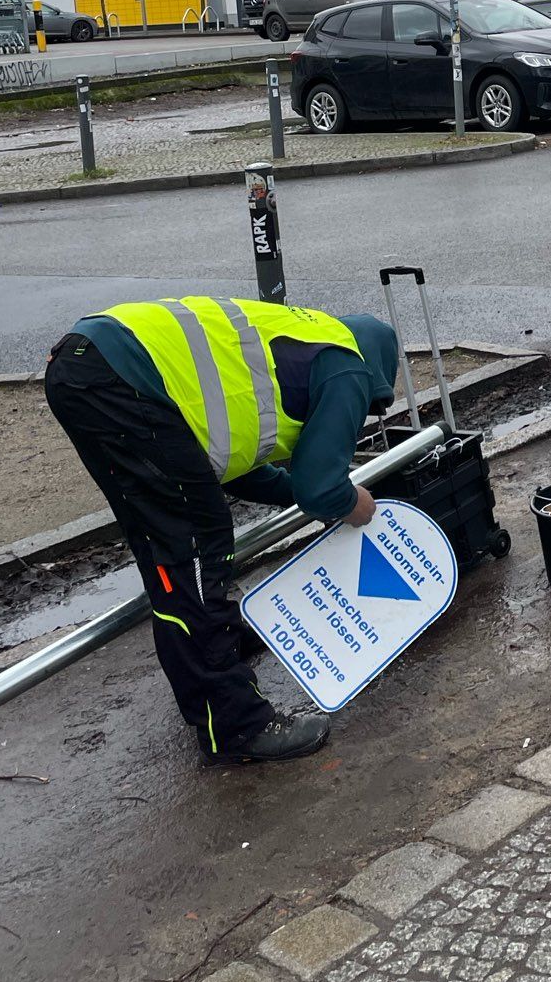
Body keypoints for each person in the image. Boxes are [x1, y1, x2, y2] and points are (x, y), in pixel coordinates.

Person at [45, 297, 399, 765]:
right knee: (195, 549)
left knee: (174, 549)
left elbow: (240, 463)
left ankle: (217, 650)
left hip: (91, 363)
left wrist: (297, 490)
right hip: (123, 380)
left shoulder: (303, 340)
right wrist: (355, 504)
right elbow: (321, 490)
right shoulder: (348, 369)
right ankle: (236, 726)